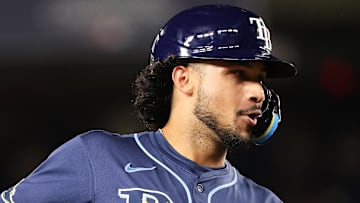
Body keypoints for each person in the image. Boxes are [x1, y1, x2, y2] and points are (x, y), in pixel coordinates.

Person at [1, 4, 297, 203]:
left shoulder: (262, 200)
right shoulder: (96, 159)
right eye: (237, 74)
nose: (258, 92)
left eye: (259, 78)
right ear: (184, 79)